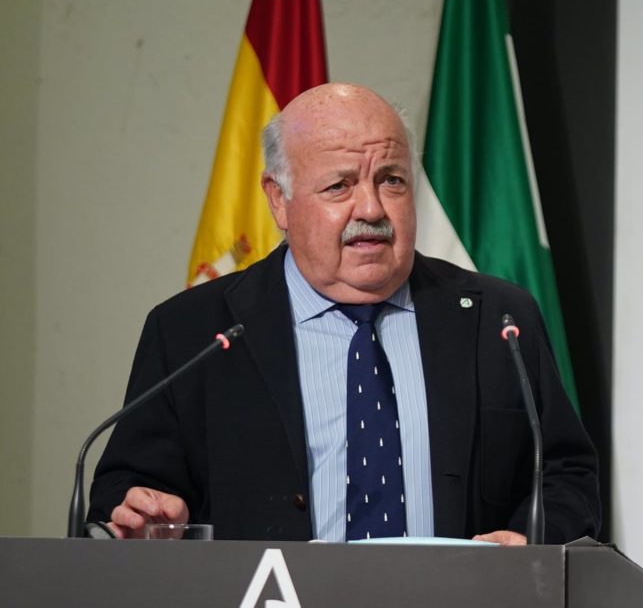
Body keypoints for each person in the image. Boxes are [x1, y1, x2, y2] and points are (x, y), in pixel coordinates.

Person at [87, 83, 601, 545]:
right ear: (279, 201)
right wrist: (143, 509)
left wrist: (525, 539)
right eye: (339, 186)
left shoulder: (498, 319)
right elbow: (126, 488)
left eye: (392, 180)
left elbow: (565, 474)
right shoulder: (194, 330)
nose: (372, 209)